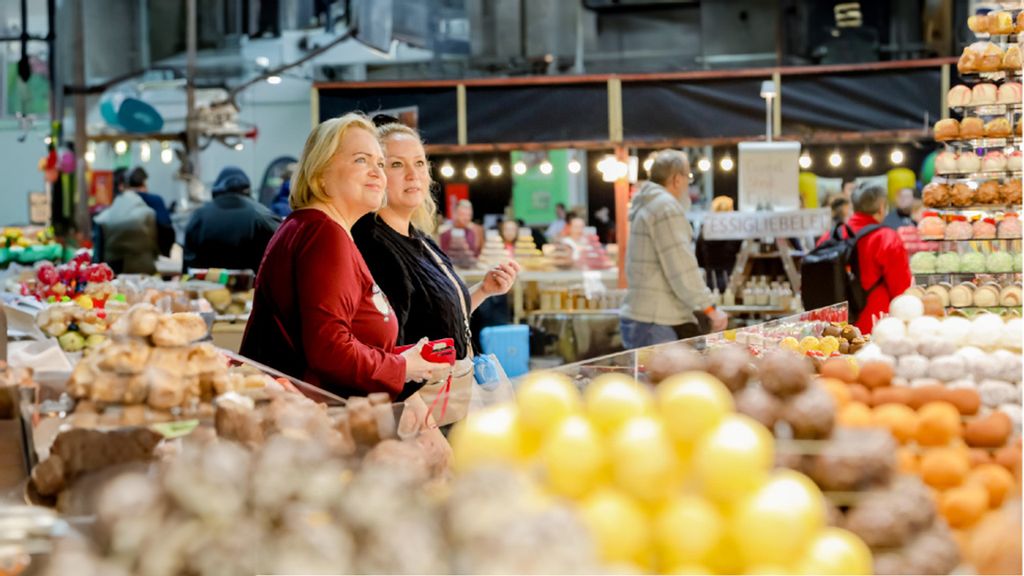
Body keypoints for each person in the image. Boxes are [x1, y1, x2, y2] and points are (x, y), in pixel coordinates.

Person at [240, 112, 450, 400]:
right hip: (310, 418)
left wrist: (404, 360)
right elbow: (329, 351)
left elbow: (333, 337)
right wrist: (400, 366)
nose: (379, 173)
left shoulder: (312, 227)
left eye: (379, 162)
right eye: (361, 160)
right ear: (320, 175)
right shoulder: (323, 235)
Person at [352, 121, 520, 425]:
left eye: (418, 163)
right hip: (419, 410)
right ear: (376, 174)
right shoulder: (373, 244)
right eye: (396, 164)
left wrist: (483, 289)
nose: (412, 174)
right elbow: (383, 345)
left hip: (449, 398)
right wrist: (420, 418)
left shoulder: (421, 239)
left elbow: (440, 316)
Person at [620, 150, 729, 348]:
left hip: (642, 317)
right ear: (677, 179)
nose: (688, 183)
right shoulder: (666, 208)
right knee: (665, 379)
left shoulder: (648, 203)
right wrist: (710, 308)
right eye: (688, 176)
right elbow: (681, 266)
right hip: (657, 320)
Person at [817, 182, 912, 335]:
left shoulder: (829, 237)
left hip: (834, 329)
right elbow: (901, 290)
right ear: (882, 207)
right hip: (874, 327)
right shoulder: (886, 238)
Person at [182, 166, 281, 274]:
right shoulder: (262, 215)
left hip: (208, 288)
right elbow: (282, 254)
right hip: (252, 288)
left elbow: (189, 265)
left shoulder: (199, 216)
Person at [92, 172, 160, 274]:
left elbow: (98, 254)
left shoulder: (106, 215)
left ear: (121, 186)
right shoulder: (148, 210)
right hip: (143, 269)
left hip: (113, 268)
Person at [696, 195, 742, 293]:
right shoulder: (735, 233)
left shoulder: (704, 232)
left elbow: (699, 260)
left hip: (709, 282)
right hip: (731, 281)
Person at [125, 167, 176, 256]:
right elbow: (166, 225)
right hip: (151, 255)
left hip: (124, 255)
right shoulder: (155, 200)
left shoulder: (121, 201)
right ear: (144, 183)